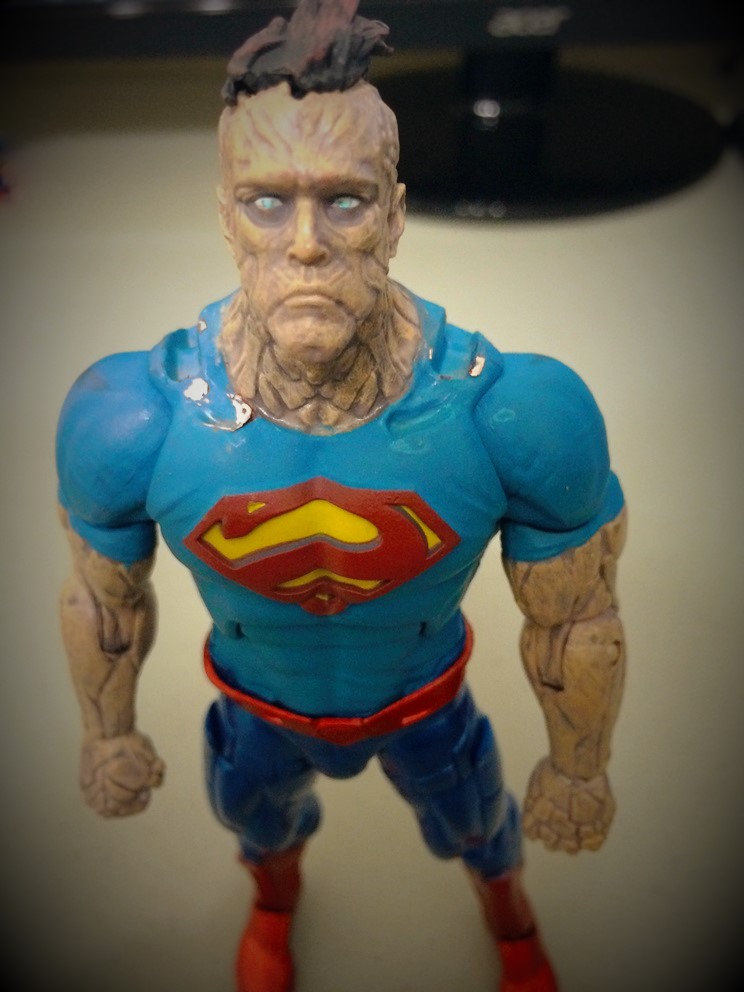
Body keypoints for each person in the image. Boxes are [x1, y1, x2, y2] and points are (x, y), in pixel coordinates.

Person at [56, 3, 626, 990]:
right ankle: (275, 901)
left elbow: (578, 616)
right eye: (267, 202)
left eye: (345, 201)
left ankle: (508, 910)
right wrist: (107, 732)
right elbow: (103, 599)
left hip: (426, 703)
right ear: (225, 214)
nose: (307, 243)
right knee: (257, 824)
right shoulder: (134, 420)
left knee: (482, 828)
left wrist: (578, 766)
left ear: (395, 214)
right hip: (257, 710)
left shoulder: (513, 412)